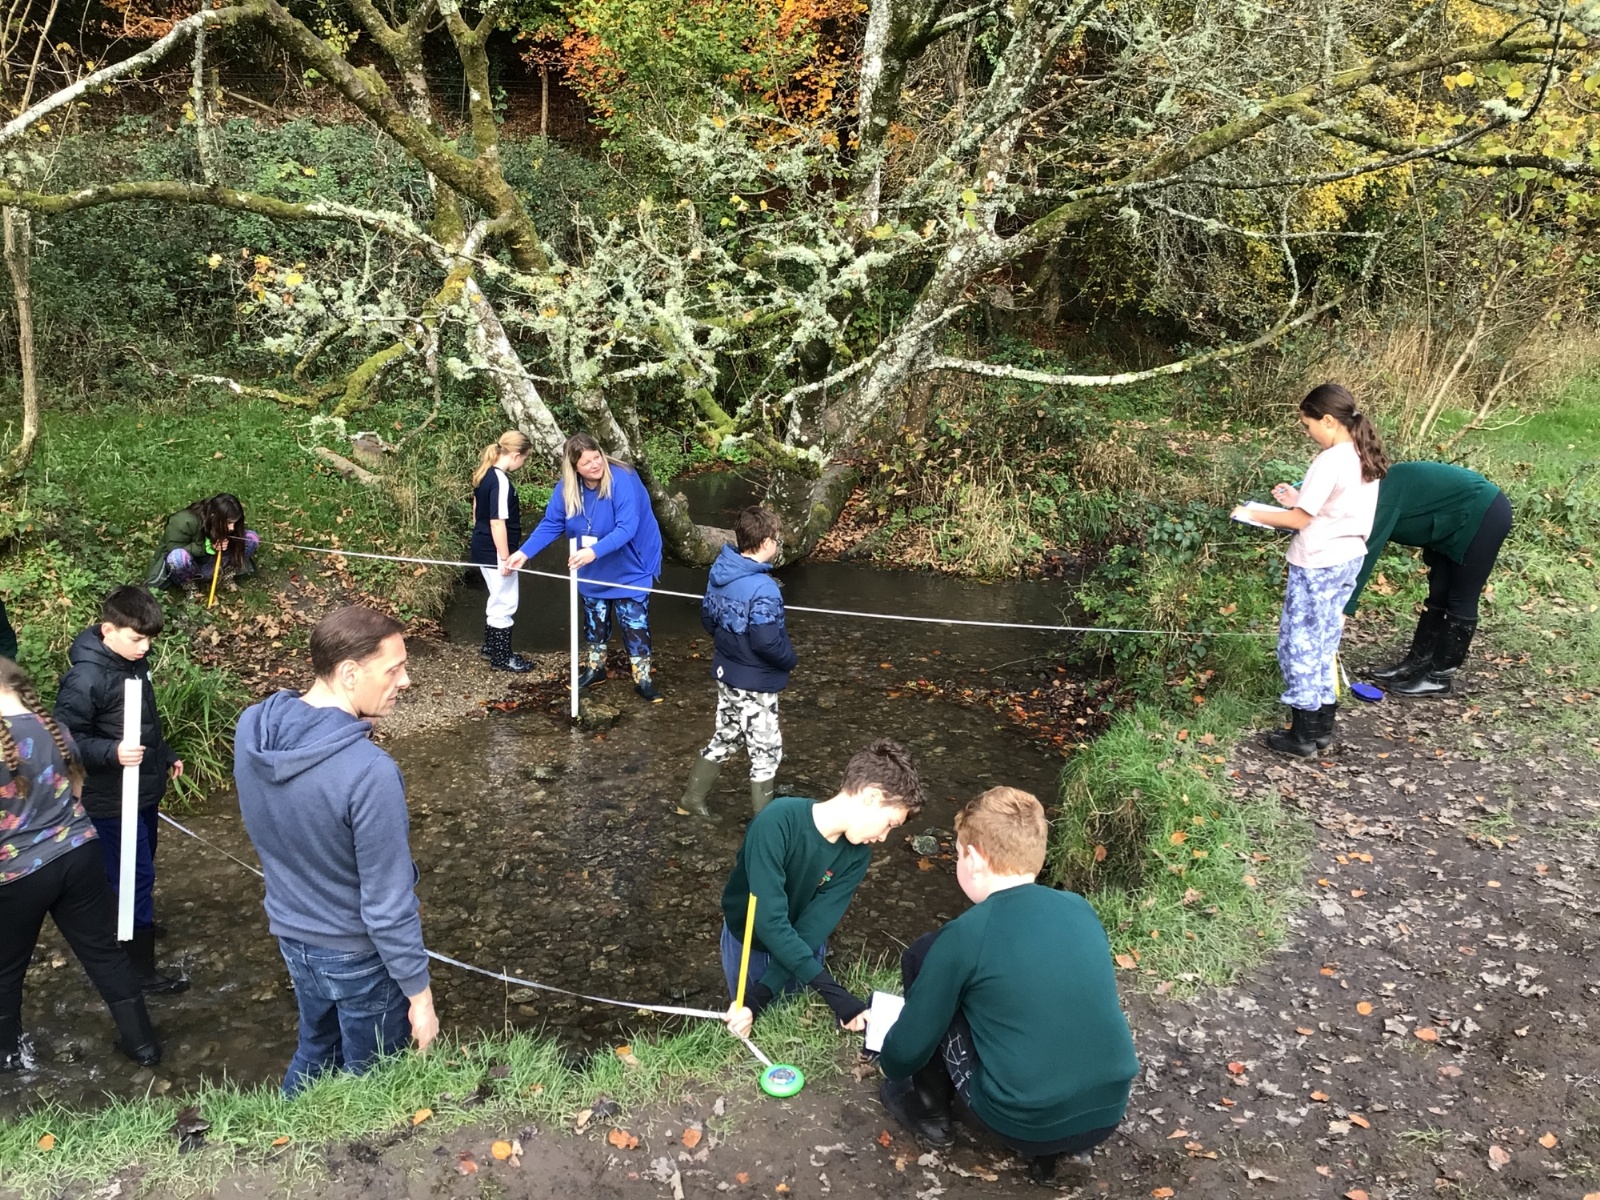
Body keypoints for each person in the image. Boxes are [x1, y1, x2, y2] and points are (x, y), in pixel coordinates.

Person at [873, 788, 1138, 1183]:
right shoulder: (1079, 908)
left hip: (1021, 1121)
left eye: (958, 854)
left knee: (923, 956)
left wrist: (891, 1062)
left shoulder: (966, 935)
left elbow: (904, 1053)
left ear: (974, 859)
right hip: (1107, 1112)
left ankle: (930, 1114)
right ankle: (1061, 1153)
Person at [234, 606, 438, 1096]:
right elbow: (387, 906)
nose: (405, 680)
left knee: (316, 1049)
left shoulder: (253, 727)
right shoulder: (370, 772)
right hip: (358, 955)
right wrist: (420, 996)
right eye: (394, 669)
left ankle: (281, 1130)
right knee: (376, 1081)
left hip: (292, 935)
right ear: (349, 673)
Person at [1, 657, 162, 1072]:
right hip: (78, 852)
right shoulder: (54, 728)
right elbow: (76, 791)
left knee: (7, 970)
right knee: (103, 953)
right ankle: (144, 1046)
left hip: (16, 873)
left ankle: (9, 1057)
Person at [721, 740, 923, 1034]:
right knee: (755, 1025)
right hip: (750, 940)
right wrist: (833, 995)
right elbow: (769, 922)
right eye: (890, 823)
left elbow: (811, 929)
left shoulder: (857, 856)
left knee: (792, 1019)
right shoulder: (776, 822)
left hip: (803, 946)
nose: (883, 837)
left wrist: (762, 994)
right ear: (871, 796)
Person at [1231, 382, 1387, 757]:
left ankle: (1301, 735)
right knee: (1325, 640)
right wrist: (1296, 499)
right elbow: (1333, 507)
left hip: (1318, 561)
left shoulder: (1329, 460)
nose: (1307, 432)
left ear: (1328, 420)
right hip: (1349, 557)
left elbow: (1300, 521)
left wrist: (1250, 513)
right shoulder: (1362, 452)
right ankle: (1322, 728)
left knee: (1298, 643)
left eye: (1308, 424)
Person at [53, 585, 188, 995]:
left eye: (150, 639)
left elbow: (145, 721)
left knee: (142, 863)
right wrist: (111, 752)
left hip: (142, 787)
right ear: (108, 630)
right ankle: (137, 967)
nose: (145, 647)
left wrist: (165, 754)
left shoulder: (133, 664)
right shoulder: (85, 678)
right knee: (133, 873)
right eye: (137, 639)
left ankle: (132, 923)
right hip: (109, 797)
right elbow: (64, 741)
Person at [504, 433, 666, 702]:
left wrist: (593, 551)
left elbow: (627, 527)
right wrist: (523, 553)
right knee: (595, 620)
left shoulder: (622, 478)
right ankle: (596, 668)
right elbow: (552, 523)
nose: (595, 465)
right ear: (574, 468)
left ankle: (643, 679)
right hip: (591, 563)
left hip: (631, 560)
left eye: (596, 457)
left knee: (634, 622)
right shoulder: (566, 489)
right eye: (586, 462)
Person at [1343, 461, 1512, 697]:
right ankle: (1417, 663)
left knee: (1461, 596)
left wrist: (1344, 606)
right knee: (1439, 591)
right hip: (1452, 518)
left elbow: (1364, 554)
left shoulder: (1381, 498)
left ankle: (1438, 677)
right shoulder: (1368, 491)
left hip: (1484, 513)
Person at [680, 507, 798, 818]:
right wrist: (789, 660)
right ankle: (766, 827)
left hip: (727, 672)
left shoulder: (720, 572)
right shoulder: (764, 588)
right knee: (766, 752)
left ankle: (692, 800)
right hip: (755, 681)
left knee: (727, 733)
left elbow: (708, 620)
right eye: (777, 540)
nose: (778, 545)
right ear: (767, 543)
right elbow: (766, 641)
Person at [469, 431, 537, 673]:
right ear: (516, 456)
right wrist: (505, 557)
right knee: (505, 602)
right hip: (496, 550)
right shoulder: (500, 480)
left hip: (482, 545)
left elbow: (476, 510)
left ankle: (491, 647)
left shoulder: (484, 473)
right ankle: (502, 656)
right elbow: (497, 522)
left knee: (496, 597)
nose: (523, 464)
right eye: (524, 459)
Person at [144, 493, 260, 597]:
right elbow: (172, 549)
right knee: (177, 557)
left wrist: (229, 542)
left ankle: (225, 576)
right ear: (214, 516)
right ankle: (190, 586)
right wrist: (206, 547)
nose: (232, 528)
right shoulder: (183, 521)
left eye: (234, 523)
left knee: (251, 538)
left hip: (216, 562)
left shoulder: (225, 523)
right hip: (194, 566)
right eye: (229, 522)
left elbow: (238, 539)